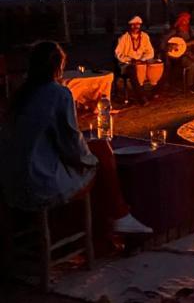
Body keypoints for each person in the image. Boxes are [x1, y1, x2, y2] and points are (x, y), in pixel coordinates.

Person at [0, 42, 151, 255]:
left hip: (10, 184)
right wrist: (92, 161)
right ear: (58, 67)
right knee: (100, 160)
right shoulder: (57, 93)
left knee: (96, 152)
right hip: (38, 184)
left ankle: (117, 222)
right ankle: (114, 224)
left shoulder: (19, 94)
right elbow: (70, 143)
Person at [164, 11, 194, 93]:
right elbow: (163, 42)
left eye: (188, 19)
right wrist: (171, 46)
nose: (187, 21)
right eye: (185, 19)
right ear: (180, 20)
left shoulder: (191, 31)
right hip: (179, 56)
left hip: (190, 53)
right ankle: (190, 85)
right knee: (192, 64)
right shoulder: (174, 31)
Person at [114, 15, 155, 106]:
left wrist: (142, 59)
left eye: (138, 24)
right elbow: (118, 54)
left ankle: (155, 93)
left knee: (157, 65)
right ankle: (142, 98)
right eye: (133, 25)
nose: (135, 27)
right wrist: (130, 60)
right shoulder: (124, 38)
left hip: (141, 63)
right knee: (132, 70)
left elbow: (150, 52)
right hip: (127, 64)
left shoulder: (145, 36)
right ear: (129, 25)